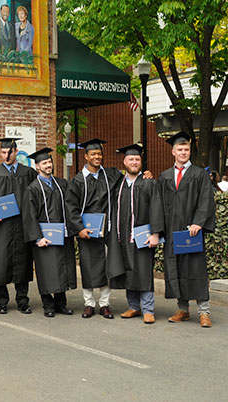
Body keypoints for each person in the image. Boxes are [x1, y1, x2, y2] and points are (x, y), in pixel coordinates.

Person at [158, 132, 215, 327]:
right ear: (173, 151)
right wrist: (159, 230)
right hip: (173, 231)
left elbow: (206, 200)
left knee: (196, 269)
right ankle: (183, 309)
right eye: (180, 149)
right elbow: (159, 204)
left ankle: (204, 312)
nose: (183, 152)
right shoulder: (165, 176)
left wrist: (199, 222)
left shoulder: (199, 174)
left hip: (192, 232)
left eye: (187, 149)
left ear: (190, 151)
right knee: (176, 268)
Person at [65, 138, 123, 319]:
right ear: (86, 156)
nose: (97, 156)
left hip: (107, 229)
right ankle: (89, 303)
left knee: (106, 265)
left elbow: (129, 181)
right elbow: (70, 206)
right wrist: (79, 228)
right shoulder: (77, 180)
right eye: (93, 154)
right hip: (87, 231)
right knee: (88, 265)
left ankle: (105, 304)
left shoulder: (111, 175)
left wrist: (146, 175)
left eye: (99, 153)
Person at [105, 144, 163, 324]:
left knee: (144, 271)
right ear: (124, 162)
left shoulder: (148, 183)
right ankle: (133, 307)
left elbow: (156, 208)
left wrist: (155, 233)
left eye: (137, 159)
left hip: (142, 236)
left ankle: (148, 309)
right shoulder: (118, 185)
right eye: (131, 159)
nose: (134, 162)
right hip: (122, 237)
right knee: (129, 271)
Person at [0, 138, 36, 314]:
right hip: (2, 226)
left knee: (23, 261)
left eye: (9, 152)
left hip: (22, 224)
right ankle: (2, 301)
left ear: (16, 151)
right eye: (3, 153)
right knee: (1, 262)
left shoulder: (28, 172)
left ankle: (22, 301)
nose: (6, 156)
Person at [24, 147, 76, 317]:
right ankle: (48, 305)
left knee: (62, 269)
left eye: (49, 162)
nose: (48, 165)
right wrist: (37, 237)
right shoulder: (32, 188)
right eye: (44, 163)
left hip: (61, 235)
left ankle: (61, 304)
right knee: (46, 270)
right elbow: (29, 216)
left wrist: (70, 228)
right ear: (37, 166)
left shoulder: (61, 184)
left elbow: (70, 207)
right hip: (44, 236)